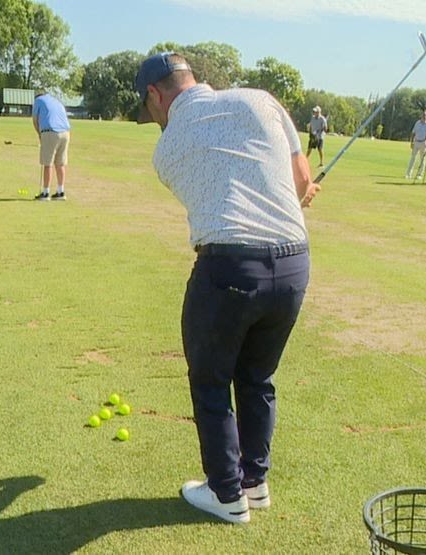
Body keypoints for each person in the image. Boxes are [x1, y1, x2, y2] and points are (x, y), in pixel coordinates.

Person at [134, 52, 318, 524]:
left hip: (229, 268)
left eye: (148, 107)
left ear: (156, 94)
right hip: (294, 263)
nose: (152, 117)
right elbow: (299, 180)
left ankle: (226, 495)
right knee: (258, 378)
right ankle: (254, 484)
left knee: (212, 381)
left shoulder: (167, 148)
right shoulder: (262, 99)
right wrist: (303, 194)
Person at [32, 91, 71, 200]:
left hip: (50, 131)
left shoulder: (38, 101)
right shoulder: (56, 101)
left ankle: (45, 193)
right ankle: (60, 191)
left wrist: (39, 134)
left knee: (47, 163)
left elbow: (35, 119)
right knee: (60, 163)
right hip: (65, 133)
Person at [406, 110, 426, 179]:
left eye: (425, 115)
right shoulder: (417, 123)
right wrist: (412, 142)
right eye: (423, 115)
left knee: (422, 159)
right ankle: (408, 173)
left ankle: (420, 174)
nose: (424, 116)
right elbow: (413, 133)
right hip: (416, 141)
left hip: (423, 142)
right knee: (413, 158)